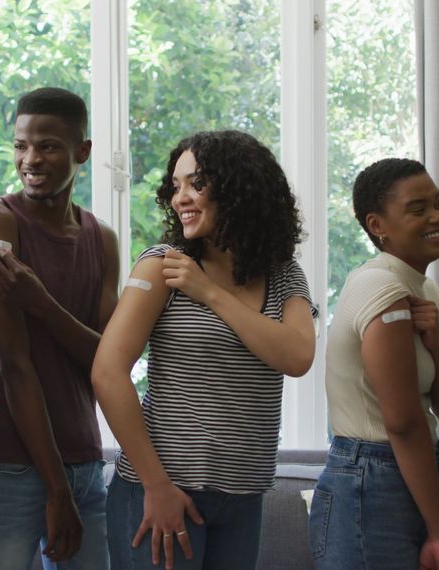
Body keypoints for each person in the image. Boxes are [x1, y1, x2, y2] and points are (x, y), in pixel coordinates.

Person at [91, 130, 317, 570]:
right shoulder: (162, 266)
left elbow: (296, 356)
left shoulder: (283, 274)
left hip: (243, 497)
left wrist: (210, 293)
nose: (180, 198)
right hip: (160, 492)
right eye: (175, 186)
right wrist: (155, 486)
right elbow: (107, 372)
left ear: (239, 189)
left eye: (196, 184)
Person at [0, 87, 120, 569]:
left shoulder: (104, 240)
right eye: (20, 146)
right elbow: (15, 366)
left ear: (83, 151)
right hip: (13, 464)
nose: (30, 159)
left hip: (85, 463)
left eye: (48, 146)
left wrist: (41, 303)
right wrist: (56, 491)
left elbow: (107, 362)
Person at [308, 158, 439, 570]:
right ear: (378, 225)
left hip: (405, 474)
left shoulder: (426, 289)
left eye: (438, 203)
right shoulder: (381, 285)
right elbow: (402, 421)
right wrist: (438, 528)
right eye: (418, 209)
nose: (438, 216)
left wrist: (435, 344)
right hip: (369, 481)